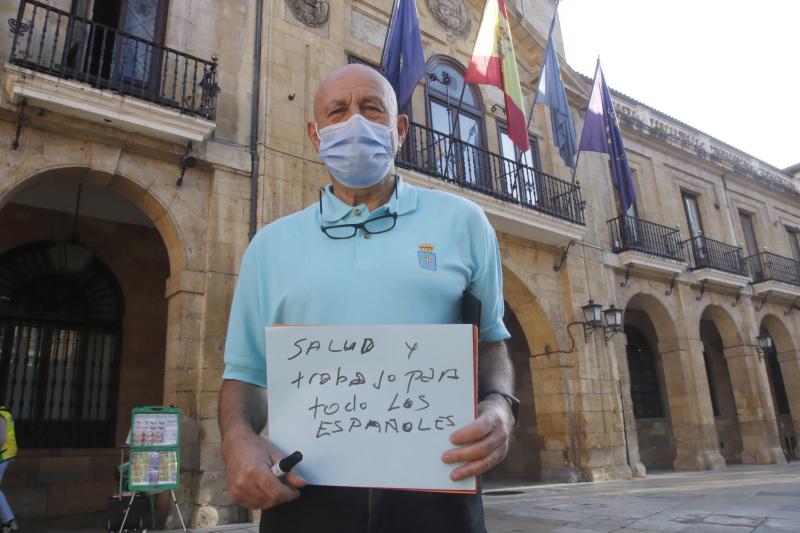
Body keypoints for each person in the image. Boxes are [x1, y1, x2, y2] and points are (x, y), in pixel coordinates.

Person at [219, 63, 518, 532]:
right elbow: (246, 375)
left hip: (439, 493)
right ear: (316, 135)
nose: (354, 122)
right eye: (337, 111)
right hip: (304, 495)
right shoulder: (269, 247)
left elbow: (492, 343)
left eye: (371, 108)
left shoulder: (464, 223)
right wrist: (236, 438)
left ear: (399, 129)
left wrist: (500, 404)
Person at [0, 405, 17, 533]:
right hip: (6, 453)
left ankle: (9, 521)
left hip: (3, 454)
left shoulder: (1, 414)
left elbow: (1, 438)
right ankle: (8, 522)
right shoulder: (5, 413)